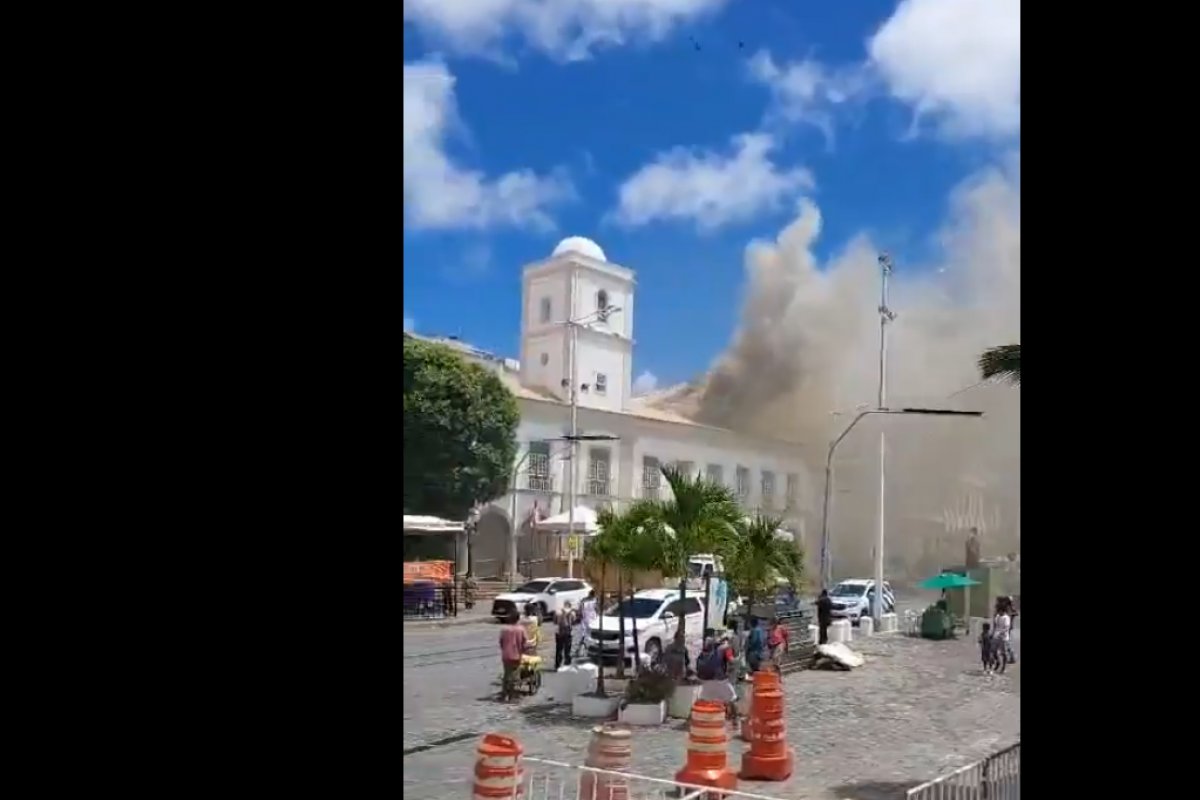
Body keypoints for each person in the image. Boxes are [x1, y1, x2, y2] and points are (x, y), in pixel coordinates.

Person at [696, 631, 738, 727]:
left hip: (706, 679)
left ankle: (692, 719)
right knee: (732, 698)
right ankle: (735, 721)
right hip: (720, 679)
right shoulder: (725, 648)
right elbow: (731, 661)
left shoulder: (706, 650)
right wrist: (738, 659)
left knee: (703, 699)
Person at [498, 608, 528, 702]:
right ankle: (512, 696)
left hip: (506, 655)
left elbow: (501, 642)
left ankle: (504, 694)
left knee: (506, 675)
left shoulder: (504, 629)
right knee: (515, 676)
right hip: (516, 655)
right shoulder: (521, 629)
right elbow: (525, 642)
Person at [575, 590, 598, 658]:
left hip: (590, 620)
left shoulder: (591, 600)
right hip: (588, 619)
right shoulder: (588, 601)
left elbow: (580, 610)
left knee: (585, 636)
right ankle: (581, 650)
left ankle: (583, 650)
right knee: (585, 635)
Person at [991, 600, 1012, 675]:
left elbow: (1006, 628)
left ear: (1002, 610)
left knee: (1003, 653)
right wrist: (993, 633)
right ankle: (998, 662)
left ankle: (1003, 666)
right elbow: (995, 625)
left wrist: (1000, 633)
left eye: (999, 611)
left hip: (1003, 637)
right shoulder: (998, 616)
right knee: (993, 650)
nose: (998, 612)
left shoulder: (1006, 618)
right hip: (996, 635)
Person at [554, 602, 576, 669]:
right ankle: (567, 662)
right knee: (568, 648)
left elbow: (555, 622)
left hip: (559, 633)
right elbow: (573, 621)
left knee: (559, 649)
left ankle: (558, 664)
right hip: (568, 632)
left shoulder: (557, 612)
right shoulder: (572, 613)